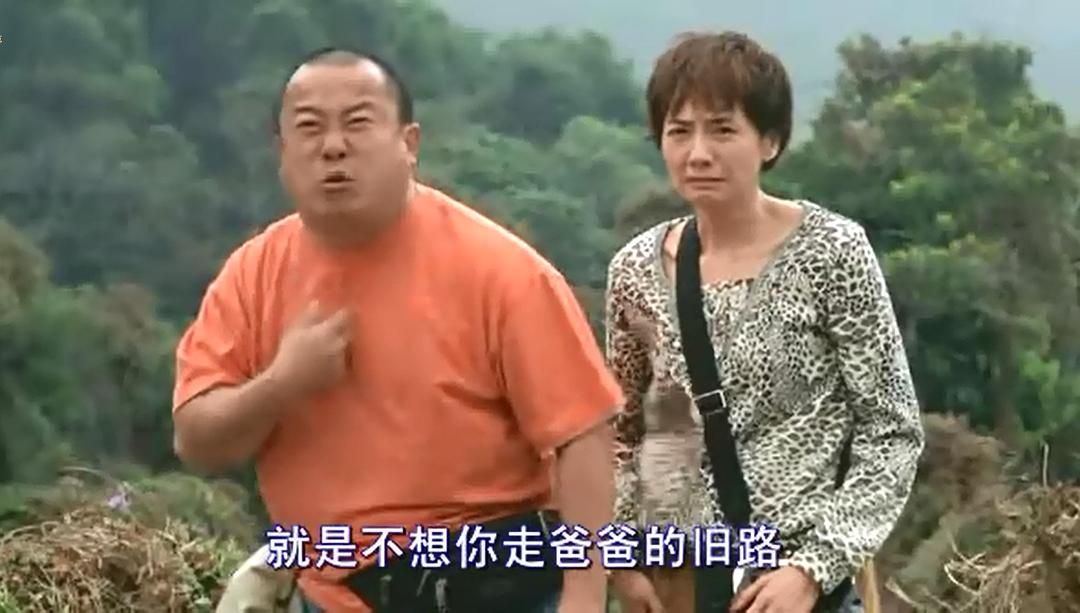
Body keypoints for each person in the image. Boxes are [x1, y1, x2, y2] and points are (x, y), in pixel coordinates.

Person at [171, 47, 623, 613]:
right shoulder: (252, 275)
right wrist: (281, 384)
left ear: (409, 143)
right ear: (282, 153)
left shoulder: (502, 271)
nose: (333, 146)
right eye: (309, 128)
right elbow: (197, 442)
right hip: (331, 594)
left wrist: (584, 597)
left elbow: (583, 436)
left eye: (357, 122)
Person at [604, 31, 924, 613]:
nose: (698, 153)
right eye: (679, 131)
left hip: (796, 584)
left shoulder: (831, 252)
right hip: (676, 582)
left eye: (723, 130)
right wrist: (622, 562)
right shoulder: (635, 271)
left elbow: (891, 432)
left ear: (770, 141)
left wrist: (814, 569)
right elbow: (621, 436)